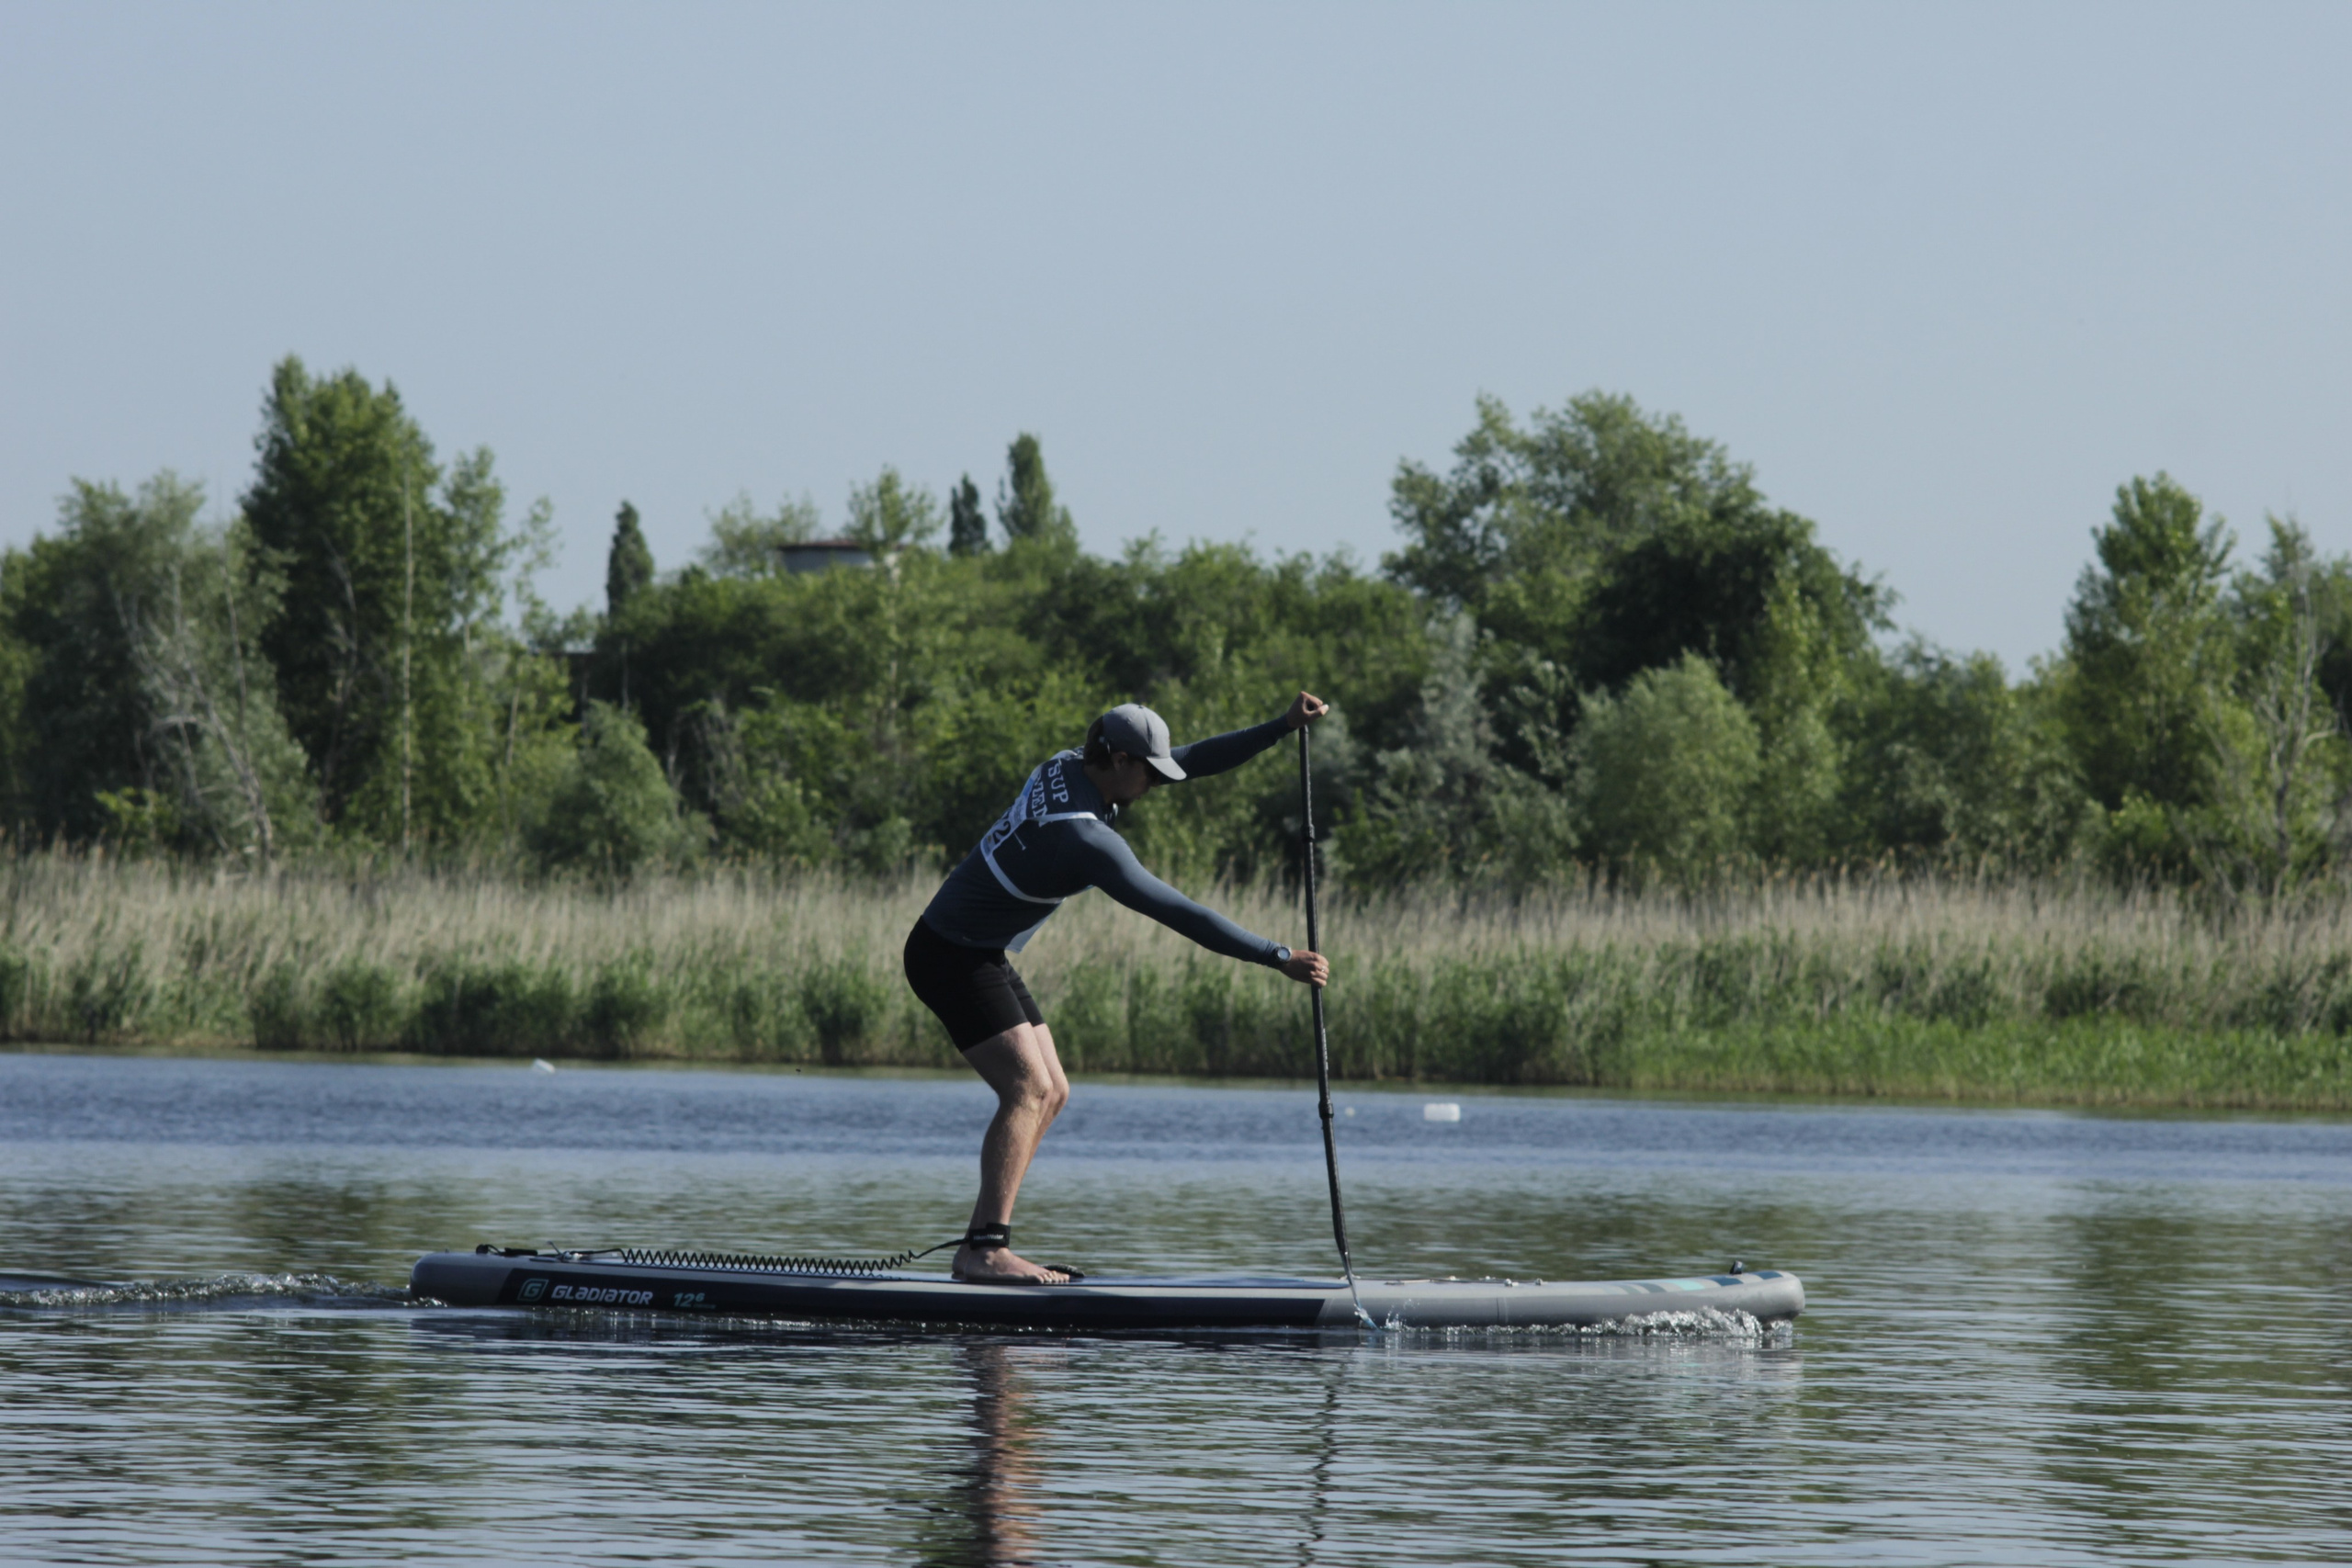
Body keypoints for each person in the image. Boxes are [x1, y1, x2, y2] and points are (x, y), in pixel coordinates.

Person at [904, 691, 1333, 1283]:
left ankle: (983, 1243)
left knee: (1053, 1090)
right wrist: (1277, 955)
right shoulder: (1084, 838)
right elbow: (1183, 914)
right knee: (1027, 1090)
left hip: (978, 950)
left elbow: (1195, 758)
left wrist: (1281, 727)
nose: (1158, 784)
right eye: (1151, 773)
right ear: (1123, 761)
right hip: (947, 956)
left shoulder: (1068, 763)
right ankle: (984, 1251)